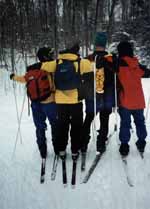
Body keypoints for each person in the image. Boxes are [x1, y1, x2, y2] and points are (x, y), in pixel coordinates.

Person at [40, 43, 92, 160]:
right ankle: (74, 151)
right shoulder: (80, 62)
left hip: (60, 102)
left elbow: (43, 67)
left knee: (62, 126)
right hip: (75, 101)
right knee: (76, 126)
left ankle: (62, 150)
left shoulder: (57, 62)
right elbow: (89, 67)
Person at [10, 47, 59, 159]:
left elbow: (23, 79)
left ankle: (42, 150)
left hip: (36, 104)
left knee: (39, 127)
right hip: (50, 102)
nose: (52, 55)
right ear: (46, 56)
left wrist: (13, 77)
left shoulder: (31, 70)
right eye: (50, 54)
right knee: (55, 124)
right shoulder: (50, 67)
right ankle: (57, 148)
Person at [81, 32, 116, 154]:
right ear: (105, 45)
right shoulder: (111, 58)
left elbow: (82, 76)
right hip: (107, 94)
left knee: (89, 118)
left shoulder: (88, 59)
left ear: (95, 44)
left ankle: (83, 143)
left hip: (92, 95)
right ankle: (101, 144)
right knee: (104, 118)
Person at [117, 41, 150, 156]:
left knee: (125, 123)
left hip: (126, 100)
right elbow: (146, 72)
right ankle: (141, 142)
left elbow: (107, 61)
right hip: (139, 101)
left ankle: (124, 146)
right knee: (140, 122)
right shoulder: (137, 64)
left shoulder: (118, 64)